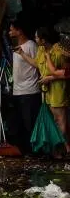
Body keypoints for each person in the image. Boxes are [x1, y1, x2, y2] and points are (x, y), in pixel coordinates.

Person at [9, 20, 42, 156]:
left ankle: (35, 152)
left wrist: (23, 54)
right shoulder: (15, 47)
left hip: (30, 90)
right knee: (19, 125)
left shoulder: (31, 45)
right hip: (17, 91)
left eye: (12, 29)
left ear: (19, 30)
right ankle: (25, 151)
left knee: (30, 124)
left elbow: (39, 65)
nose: (10, 32)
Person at [35, 26, 68, 158]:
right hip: (48, 92)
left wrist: (49, 78)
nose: (35, 39)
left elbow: (61, 73)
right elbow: (38, 65)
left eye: (37, 37)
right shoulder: (41, 50)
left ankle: (59, 150)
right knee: (54, 121)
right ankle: (58, 149)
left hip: (59, 91)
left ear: (43, 39)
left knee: (61, 121)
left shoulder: (59, 52)